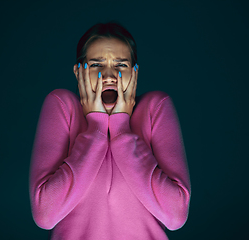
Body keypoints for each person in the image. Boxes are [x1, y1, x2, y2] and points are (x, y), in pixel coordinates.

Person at [29, 21, 191, 240]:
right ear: (79, 72)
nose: (108, 75)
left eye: (120, 65)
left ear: (135, 72)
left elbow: (175, 216)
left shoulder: (155, 107)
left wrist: (121, 128)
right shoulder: (62, 105)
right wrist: (95, 127)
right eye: (96, 64)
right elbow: (45, 216)